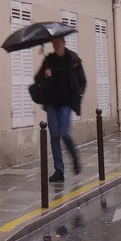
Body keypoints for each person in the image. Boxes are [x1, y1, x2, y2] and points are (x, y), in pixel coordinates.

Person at [33, 34, 87, 183]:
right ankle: (59, 170)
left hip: (66, 104)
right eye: (53, 42)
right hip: (51, 103)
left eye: (57, 41)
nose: (55, 44)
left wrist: (78, 95)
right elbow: (38, 79)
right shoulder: (49, 60)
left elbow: (82, 80)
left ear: (63, 42)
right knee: (55, 136)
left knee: (64, 133)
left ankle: (74, 156)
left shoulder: (73, 59)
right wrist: (45, 75)